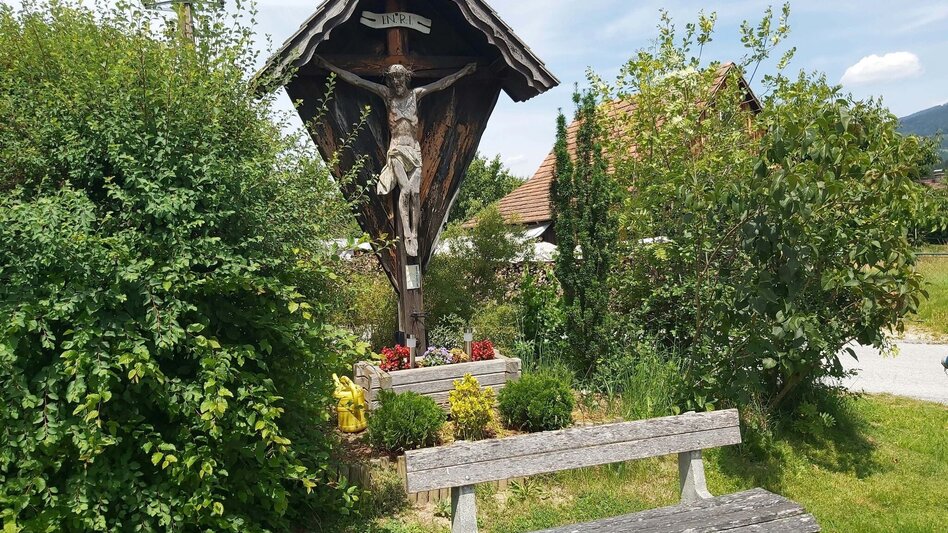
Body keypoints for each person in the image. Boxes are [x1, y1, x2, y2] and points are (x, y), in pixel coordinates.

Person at [316, 56, 477, 257]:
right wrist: (329, 65)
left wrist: (463, 72)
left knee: (415, 194)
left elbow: (441, 84)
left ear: (406, 79)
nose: (397, 83)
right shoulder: (387, 96)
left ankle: (415, 233)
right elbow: (357, 80)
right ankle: (408, 233)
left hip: (414, 151)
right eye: (393, 79)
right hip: (397, 150)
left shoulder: (415, 95)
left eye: (400, 78)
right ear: (390, 81)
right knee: (406, 190)